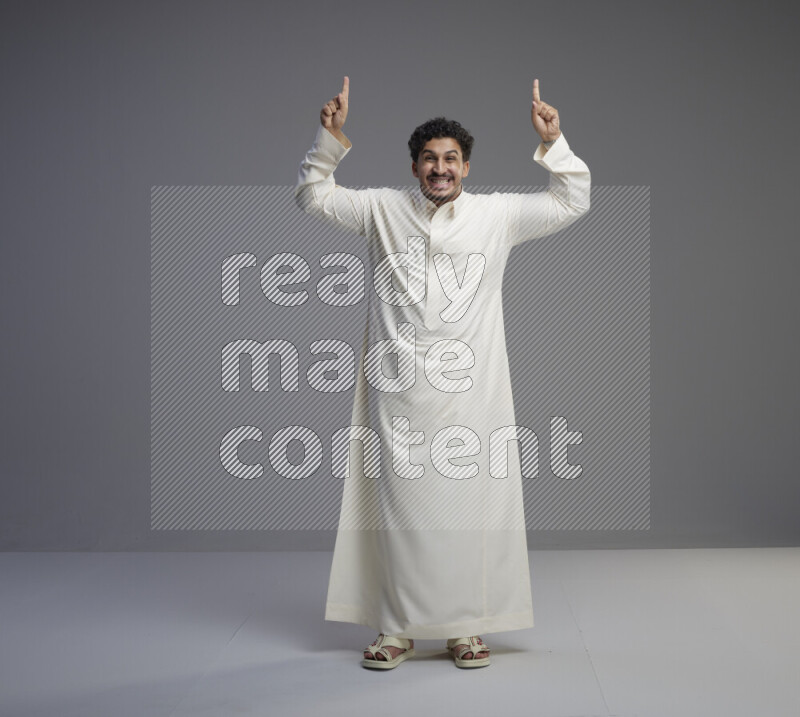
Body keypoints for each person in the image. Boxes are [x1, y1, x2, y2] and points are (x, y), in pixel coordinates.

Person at [295, 76, 591, 669]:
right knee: (398, 511)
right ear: (413, 167)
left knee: (467, 510)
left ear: (467, 167)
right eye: (429, 159)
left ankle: (464, 627)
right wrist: (329, 138)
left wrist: (553, 141)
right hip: (396, 393)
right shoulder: (381, 208)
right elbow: (313, 197)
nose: (440, 169)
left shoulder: (497, 216)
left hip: (472, 396)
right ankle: (396, 628)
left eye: (450, 159)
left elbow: (571, 201)